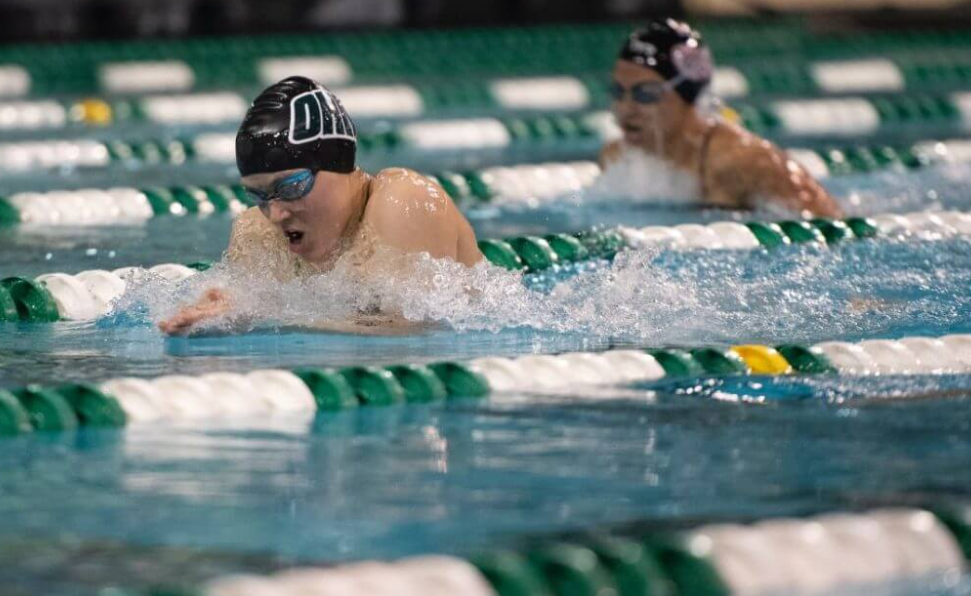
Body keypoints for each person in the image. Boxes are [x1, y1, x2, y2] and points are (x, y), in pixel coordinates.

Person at [159, 76, 482, 335]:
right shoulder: (255, 233)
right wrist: (220, 317)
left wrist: (259, 317)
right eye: (259, 197)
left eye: (291, 187)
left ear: (339, 165)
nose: (276, 214)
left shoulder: (404, 200)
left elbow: (402, 331)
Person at [601, 19, 843, 218]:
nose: (626, 108)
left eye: (646, 93)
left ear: (688, 93)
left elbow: (829, 227)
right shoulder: (616, 157)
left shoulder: (745, 161)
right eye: (618, 92)